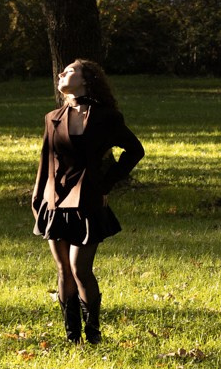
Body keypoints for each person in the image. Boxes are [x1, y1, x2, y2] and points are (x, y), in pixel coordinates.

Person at [30, 59, 143, 344]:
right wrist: (38, 198)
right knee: (63, 269)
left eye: (69, 71)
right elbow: (46, 160)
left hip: (87, 200)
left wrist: (106, 183)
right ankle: (72, 336)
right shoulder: (52, 117)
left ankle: (92, 332)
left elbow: (134, 150)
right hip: (54, 201)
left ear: (86, 80)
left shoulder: (106, 117)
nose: (61, 74)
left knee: (81, 269)